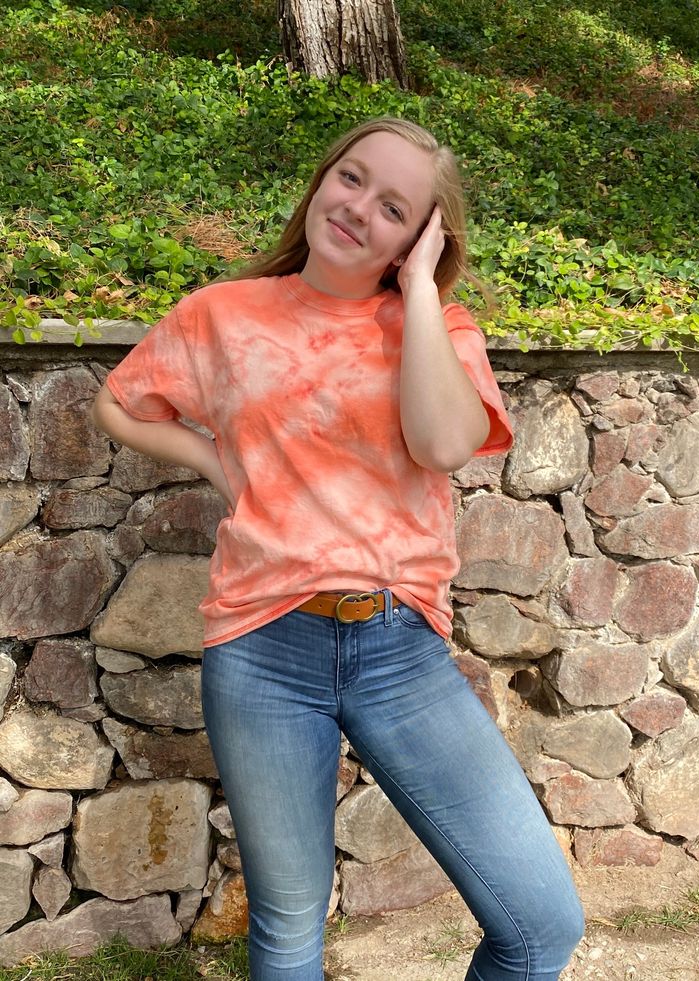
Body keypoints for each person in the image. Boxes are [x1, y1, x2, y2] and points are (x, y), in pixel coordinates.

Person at [91, 117, 584, 981]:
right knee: (287, 926)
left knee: (541, 924)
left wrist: (422, 289)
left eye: (394, 206)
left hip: (400, 650)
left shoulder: (441, 329)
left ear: (421, 236)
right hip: (259, 645)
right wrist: (212, 458)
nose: (358, 208)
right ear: (322, 179)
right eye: (351, 178)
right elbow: (122, 403)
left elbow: (441, 443)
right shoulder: (224, 314)